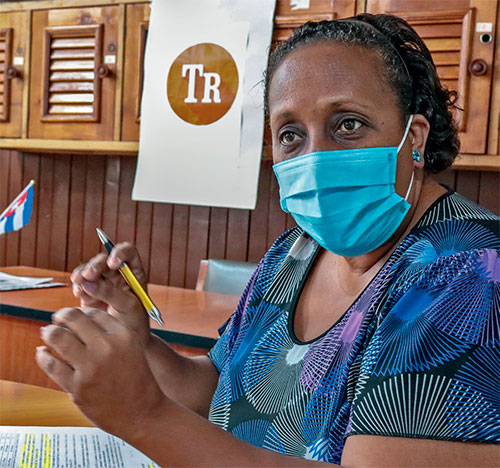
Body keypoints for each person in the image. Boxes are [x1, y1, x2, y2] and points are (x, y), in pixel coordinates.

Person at [36, 13, 499, 467]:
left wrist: (142, 417)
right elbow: (217, 393)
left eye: (348, 124)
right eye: (291, 133)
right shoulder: (296, 252)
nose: (315, 156)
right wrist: (136, 335)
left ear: (413, 137)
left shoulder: (471, 274)